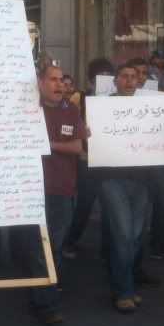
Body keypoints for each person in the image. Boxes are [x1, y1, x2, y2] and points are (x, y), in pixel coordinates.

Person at [8, 62, 85, 325]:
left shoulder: (71, 110)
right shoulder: (26, 111)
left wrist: (43, 142)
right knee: (43, 247)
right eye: (52, 80)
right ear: (40, 84)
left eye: (61, 80)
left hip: (63, 190)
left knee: (54, 245)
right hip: (31, 189)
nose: (59, 85)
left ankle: (42, 294)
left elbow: (76, 147)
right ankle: (47, 304)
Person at [93, 64, 164, 313]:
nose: (129, 80)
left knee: (135, 237)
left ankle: (125, 285)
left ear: (140, 82)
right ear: (114, 81)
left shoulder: (150, 110)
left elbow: (162, 139)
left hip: (142, 181)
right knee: (124, 235)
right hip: (112, 180)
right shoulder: (101, 108)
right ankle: (123, 291)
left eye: (134, 77)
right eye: (124, 77)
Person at [63, 57, 114, 259]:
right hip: (86, 159)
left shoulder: (116, 99)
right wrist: (81, 129)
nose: (104, 79)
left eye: (108, 76)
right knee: (84, 204)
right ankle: (68, 241)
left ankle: (108, 249)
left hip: (109, 158)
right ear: (91, 79)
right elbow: (69, 122)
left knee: (110, 207)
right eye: (100, 76)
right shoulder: (79, 98)